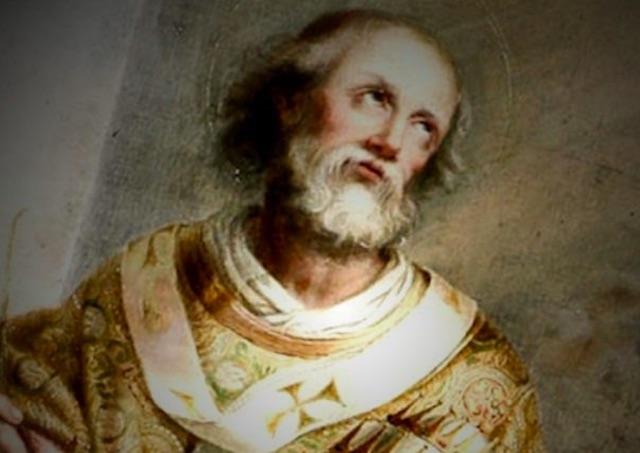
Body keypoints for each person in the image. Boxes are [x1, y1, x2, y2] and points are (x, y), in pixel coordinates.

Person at [0, 10, 544, 452]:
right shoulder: (149, 277)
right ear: (291, 101)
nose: (390, 141)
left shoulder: (472, 371)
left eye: (423, 126)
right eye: (375, 98)